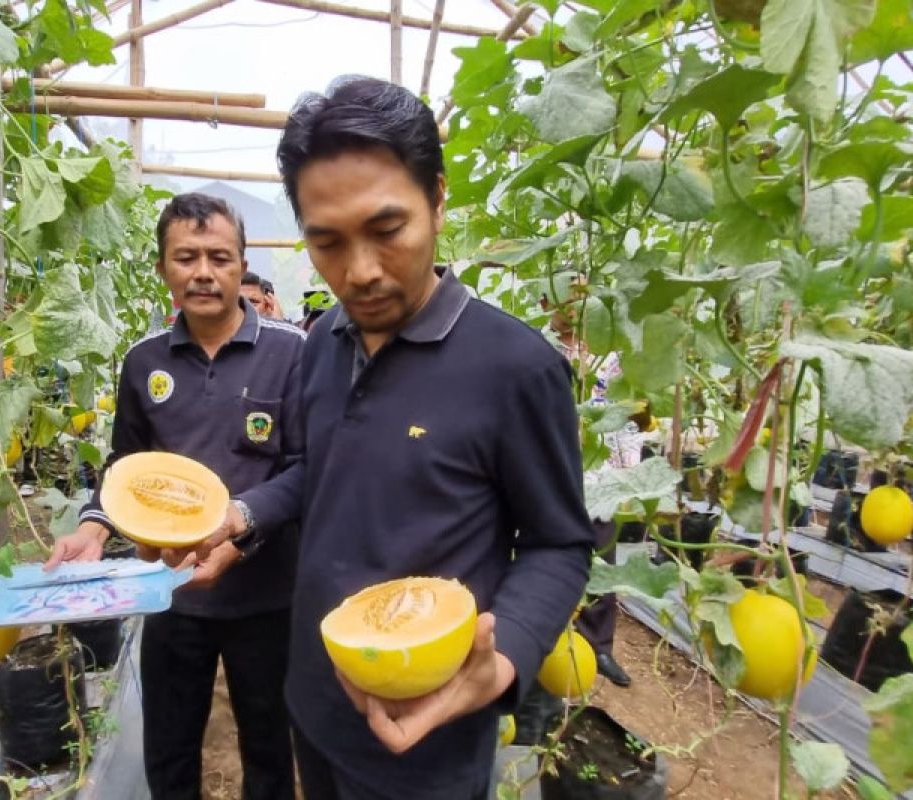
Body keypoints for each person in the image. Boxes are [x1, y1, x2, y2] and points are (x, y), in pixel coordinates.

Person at [177, 77, 597, 799]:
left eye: (386, 229)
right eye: (327, 243)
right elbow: (319, 470)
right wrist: (244, 517)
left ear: (436, 200)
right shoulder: (322, 343)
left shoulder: (516, 368)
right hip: (313, 697)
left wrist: (502, 665)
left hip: (428, 734)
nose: (360, 271)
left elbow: (560, 543)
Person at [46, 193, 304, 800]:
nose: (204, 272)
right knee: (169, 749)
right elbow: (125, 467)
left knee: (269, 748)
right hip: (170, 595)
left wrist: (242, 524)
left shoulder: (294, 352)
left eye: (220, 256)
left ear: (243, 264)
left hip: (268, 597)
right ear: (163, 268)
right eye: (186, 257)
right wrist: (93, 529)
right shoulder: (142, 363)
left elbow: (309, 466)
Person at [542, 289, 651, 689]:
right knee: (549, 560)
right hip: (550, 478)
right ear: (545, 306)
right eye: (562, 303)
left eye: (578, 302)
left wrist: (631, 476)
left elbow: (628, 418)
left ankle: (599, 646)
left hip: (601, 480)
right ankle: (548, 642)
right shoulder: (536, 349)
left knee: (602, 566)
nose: (570, 312)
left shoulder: (610, 358)